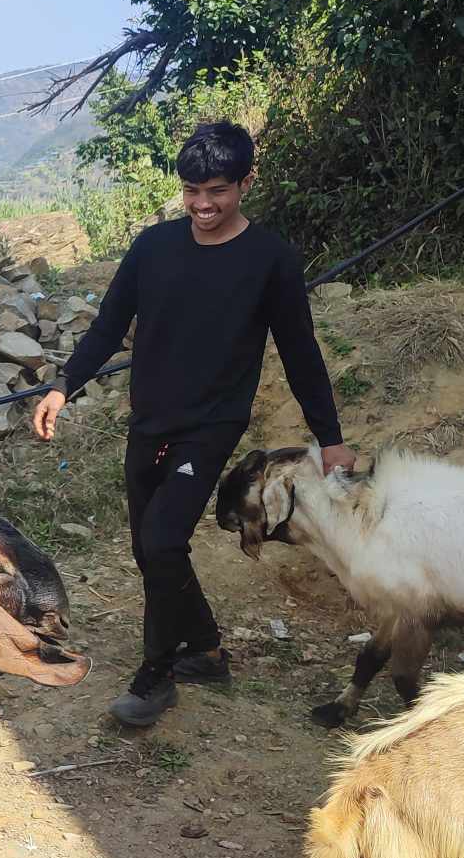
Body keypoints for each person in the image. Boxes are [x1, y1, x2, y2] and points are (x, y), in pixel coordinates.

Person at [33, 121, 357, 726]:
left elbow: (300, 351)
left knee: (161, 541)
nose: (203, 205)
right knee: (147, 547)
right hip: (151, 415)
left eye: (217, 191)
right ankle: (205, 648)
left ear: (245, 183)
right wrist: (62, 385)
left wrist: (330, 438)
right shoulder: (154, 247)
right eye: (192, 191)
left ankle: (156, 674)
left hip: (212, 422)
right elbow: (107, 326)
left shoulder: (271, 260)